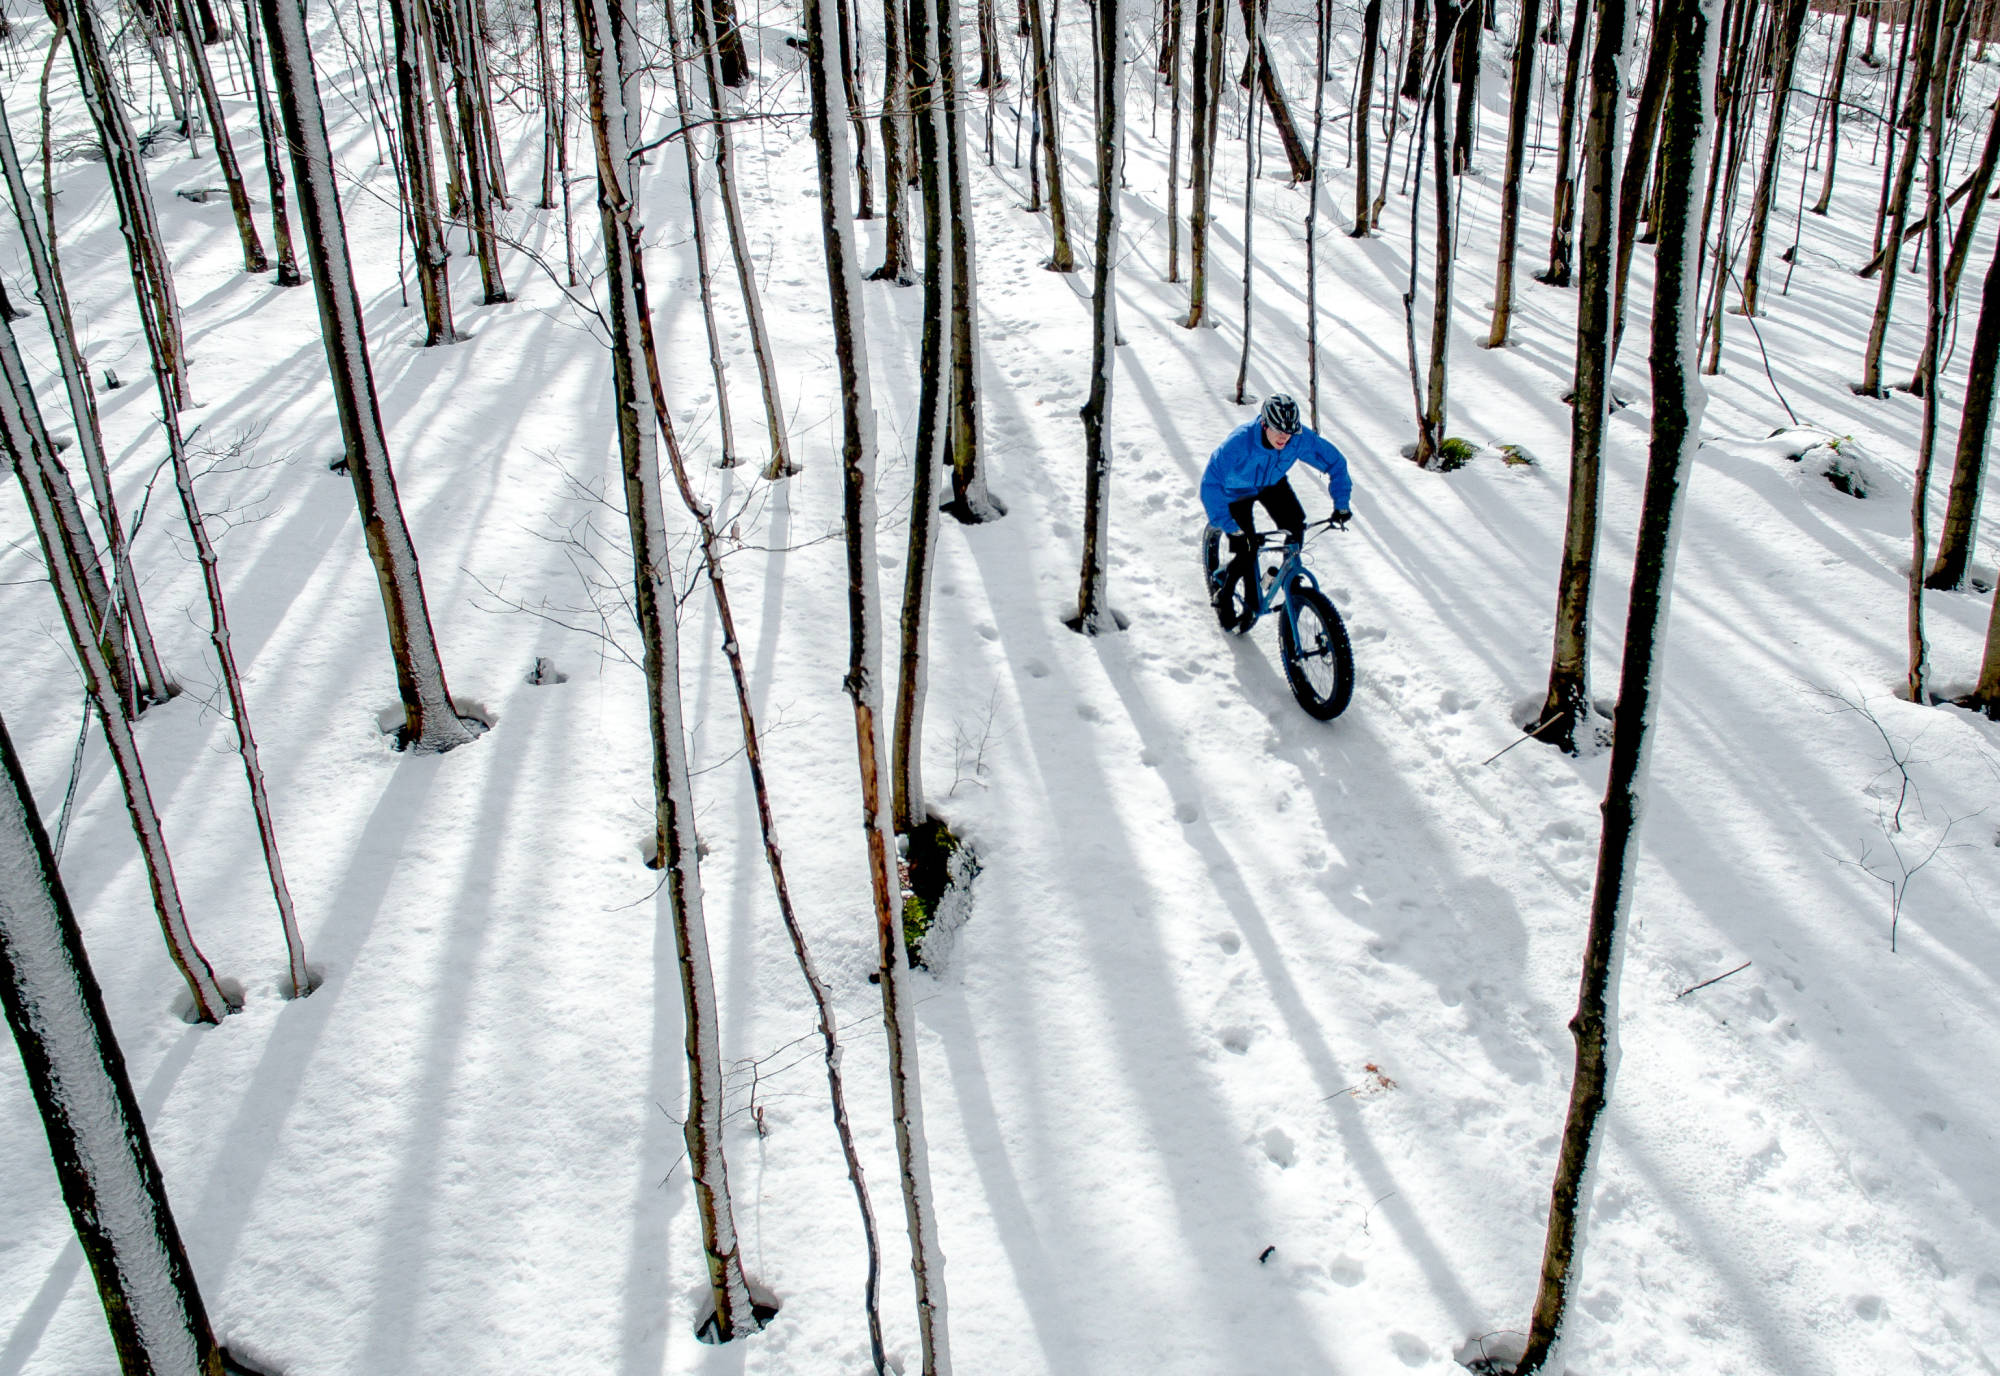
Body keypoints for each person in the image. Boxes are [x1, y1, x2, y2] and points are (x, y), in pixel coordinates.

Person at [1201, 394, 1353, 594]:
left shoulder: (1297, 439)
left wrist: (1341, 505)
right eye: (1279, 430)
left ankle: (1290, 580)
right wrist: (1230, 527)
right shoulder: (1239, 443)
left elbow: (1336, 463)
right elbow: (1210, 484)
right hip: (1236, 490)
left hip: (1271, 483)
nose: (1284, 437)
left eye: (1289, 432)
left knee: (1295, 524)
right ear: (1264, 424)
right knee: (1247, 548)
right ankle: (1224, 591)